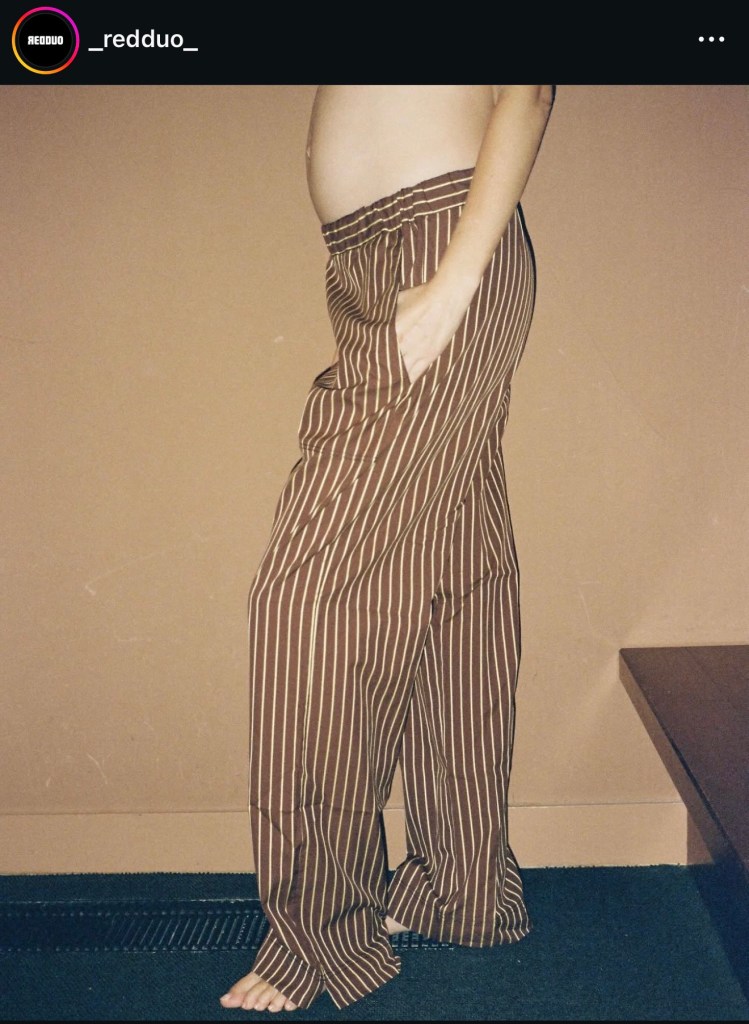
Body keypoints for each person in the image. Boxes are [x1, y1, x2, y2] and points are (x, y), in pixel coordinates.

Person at [220, 84, 555, 1013]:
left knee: (306, 593)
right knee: (452, 565)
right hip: (374, 255)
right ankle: (462, 888)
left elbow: (527, 87)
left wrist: (456, 278)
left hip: (442, 238)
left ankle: (318, 935)